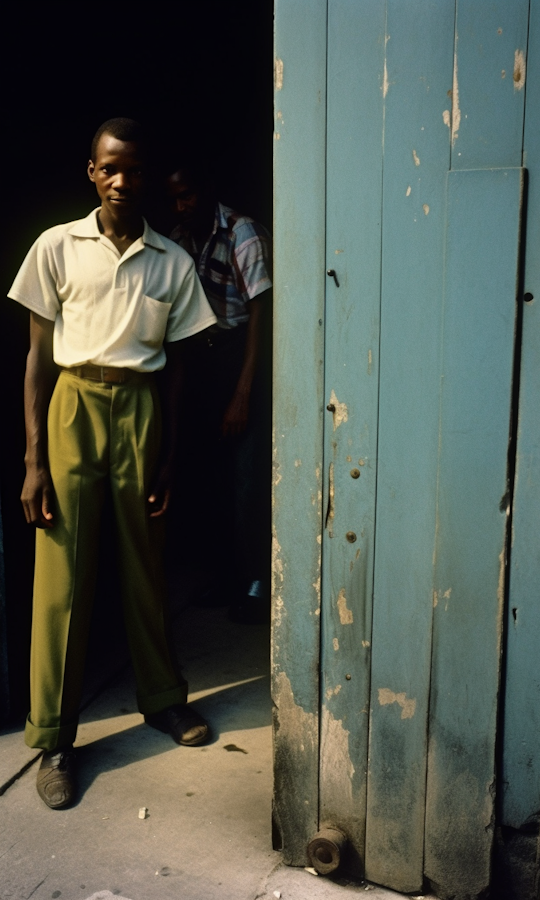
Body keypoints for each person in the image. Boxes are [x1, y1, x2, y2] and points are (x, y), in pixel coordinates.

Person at [8, 118, 217, 810]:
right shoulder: (56, 247)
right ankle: (55, 738)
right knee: (61, 576)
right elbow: (37, 358)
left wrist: (169, 460)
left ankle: (162, 700)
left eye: (134, 169)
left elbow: (181, 370)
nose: (123, 180)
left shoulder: (172, 261)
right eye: (110, 168)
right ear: (91, 172)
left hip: (141, 411)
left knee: (144, 563)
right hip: (72, 405)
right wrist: (34, 459)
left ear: (148, 176)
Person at [166, 165, 272, 621]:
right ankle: (228, 576)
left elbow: (260, 312)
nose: (180, 205)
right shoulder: (180, 237)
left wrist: (243, 393)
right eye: (174, 198)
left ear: (208, 188)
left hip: (243, 356)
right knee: (213, 478)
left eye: (187, 195)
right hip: (203, 358)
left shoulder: (242, 232)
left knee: (249, 478)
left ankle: (258, 583)